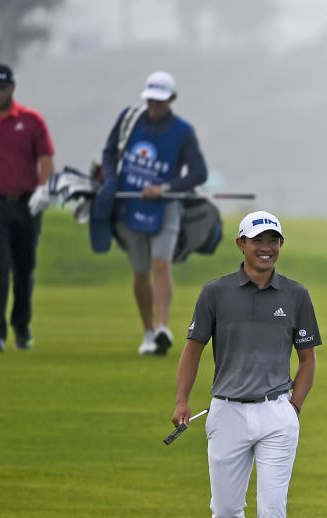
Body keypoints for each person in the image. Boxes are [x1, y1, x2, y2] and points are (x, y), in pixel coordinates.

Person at [171, 210, 321, 518]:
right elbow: (193, 349)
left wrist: (294, 407)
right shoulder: (215, 293)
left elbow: (307, 360)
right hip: (227, 412)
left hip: (277, 414)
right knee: (223, 511)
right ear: (241, 244)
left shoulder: (296, 295)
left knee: (273, 507)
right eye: (258, 240)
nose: (267, 247)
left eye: (274, 240)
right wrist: (182, 402)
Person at [99, 71, 207, 355]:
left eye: (160, 101)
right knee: (139, 270)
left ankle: (162, 328)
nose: (154, 106)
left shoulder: (183, 131)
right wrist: (110, 182)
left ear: (172, 99)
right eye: (151, 100)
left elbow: (199, 172)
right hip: (129, 205)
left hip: (166, 206)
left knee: (161, 263)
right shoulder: (129, 119)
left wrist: (166, 187)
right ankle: (147, 332)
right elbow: (109, 154)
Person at [0, 63, 54, 352]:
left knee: (24, 268)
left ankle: (21, 326)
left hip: (26, 203)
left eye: (2, 88)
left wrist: (43, 188)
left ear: (12, 88)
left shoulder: (31, 121)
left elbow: (45, 159)